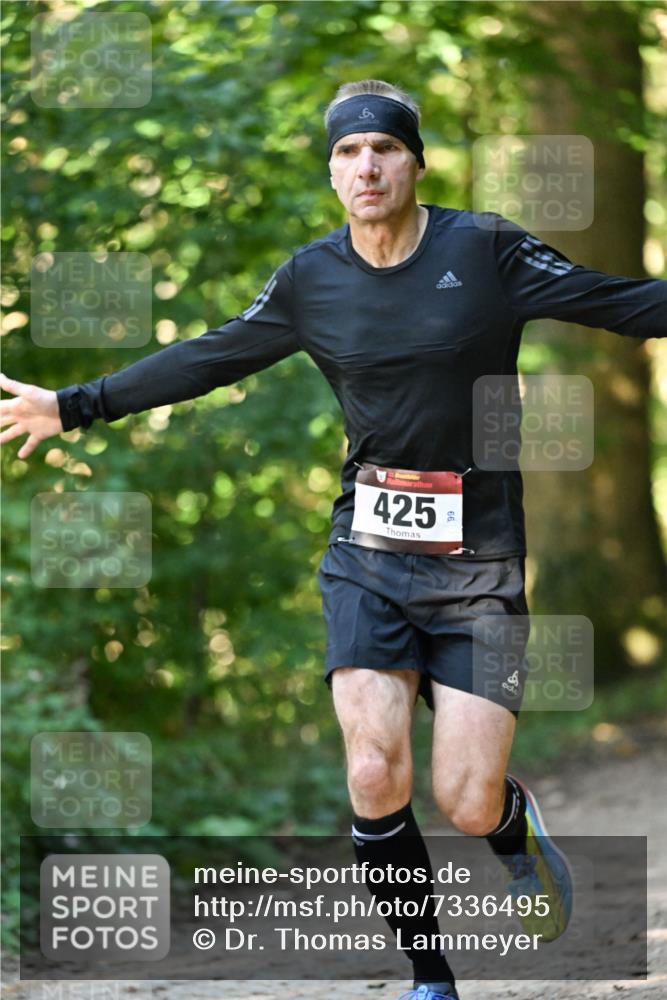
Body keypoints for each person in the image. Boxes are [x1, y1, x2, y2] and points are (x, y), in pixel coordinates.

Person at [1, 79, 665, 1000]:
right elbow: (209, 355)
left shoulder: (484, 249)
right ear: (331, 170)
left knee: (465, 798)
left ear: (414, 161)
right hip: (367, 554)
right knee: (369, 766)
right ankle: (431, 979)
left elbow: (623, 303)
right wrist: (73, 406)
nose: (367, 167)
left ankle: (511, 832)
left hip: (478, 559)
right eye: (349, 153)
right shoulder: (311, 278)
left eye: (383, 150)